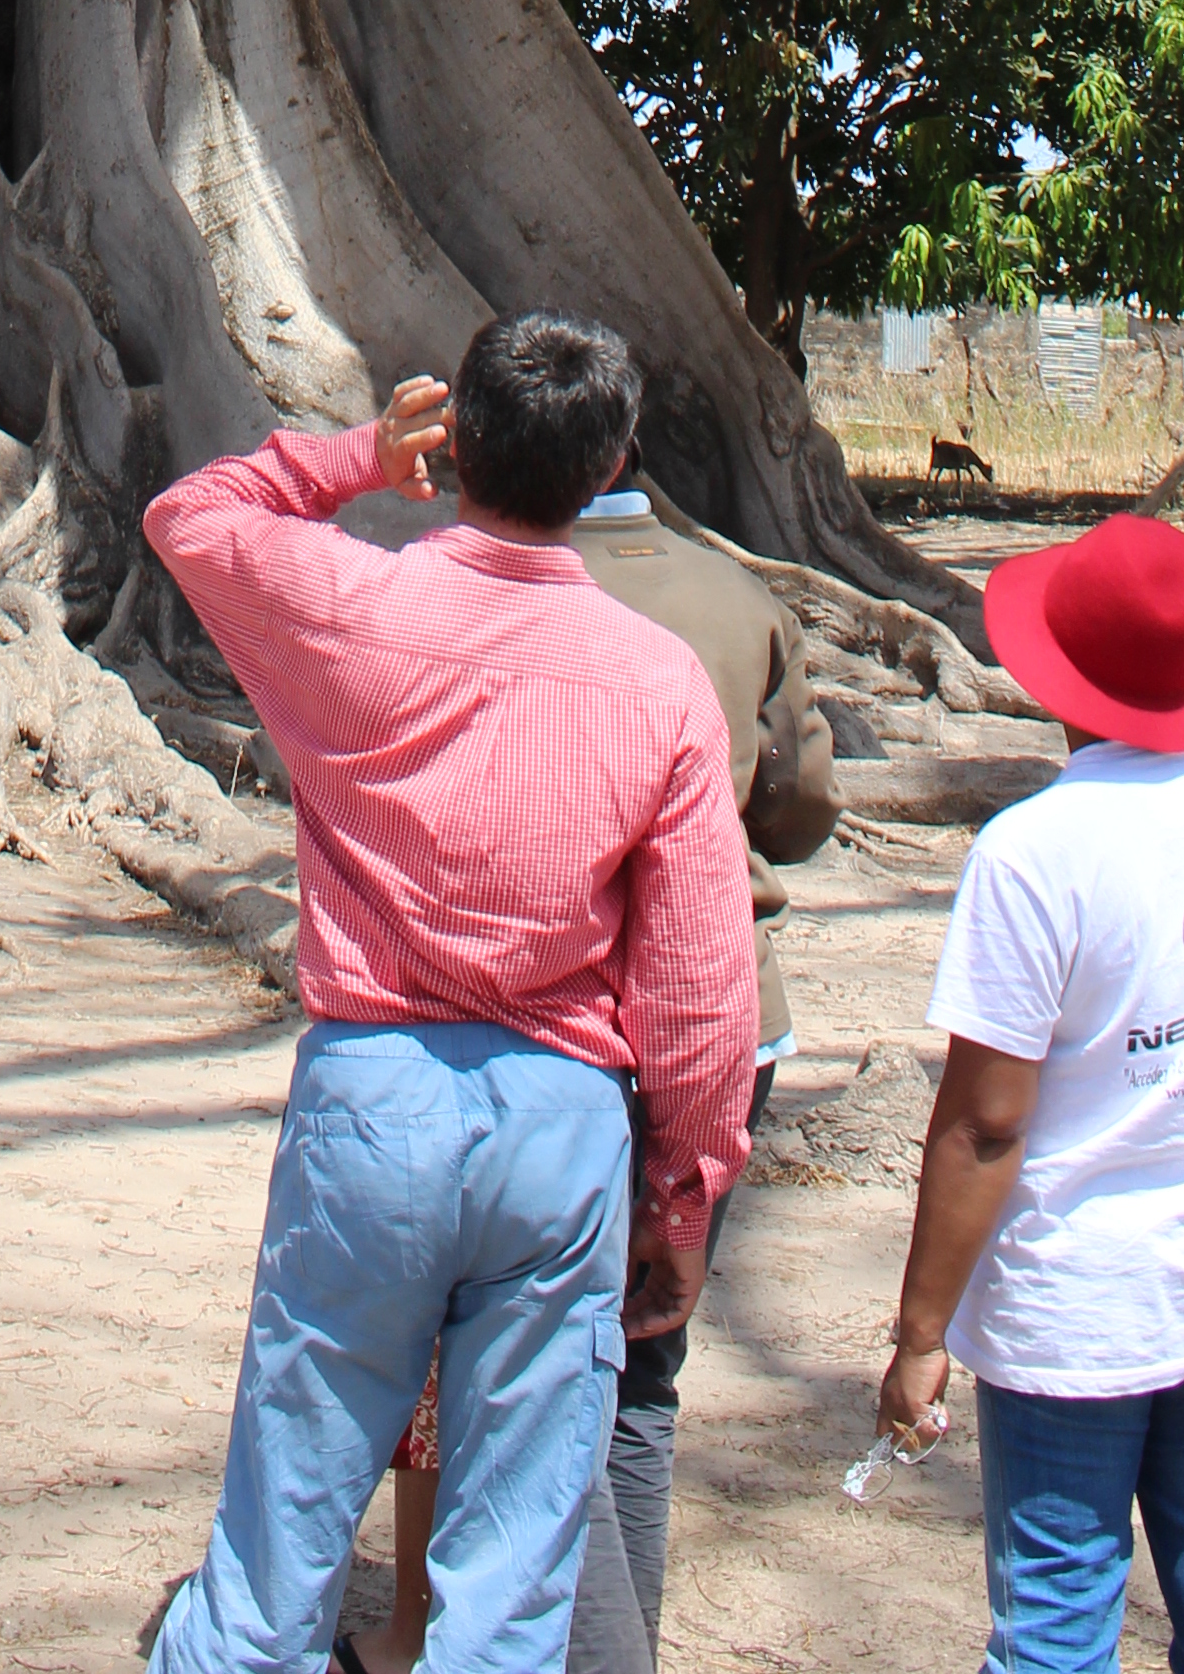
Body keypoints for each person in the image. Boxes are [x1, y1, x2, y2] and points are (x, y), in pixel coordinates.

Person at [142, 316, 759, 1674]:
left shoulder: (350, 605)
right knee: (511, 1579)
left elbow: (190, 514)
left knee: (281, 1530)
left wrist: (356, 458)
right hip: (561, 1130)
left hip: (371, 1109)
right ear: (614, 465)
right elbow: (701, 987)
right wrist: (685, 1193)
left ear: (458, 440)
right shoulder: (658, 683)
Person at [873, 508, 1184, 1674]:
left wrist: (921, 1334)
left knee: (1056, 1625)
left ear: (1059, 677)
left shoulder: (1034, 850)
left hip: (1078, 1309)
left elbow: (986, 1124)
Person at [342, 467, 839, 1674]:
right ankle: (625, 1640)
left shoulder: (469, 598)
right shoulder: (738, 598)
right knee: (643, 1372)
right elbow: (799, 806)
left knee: (543, 1373)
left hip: (564, 1027)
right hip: (733, 1022)